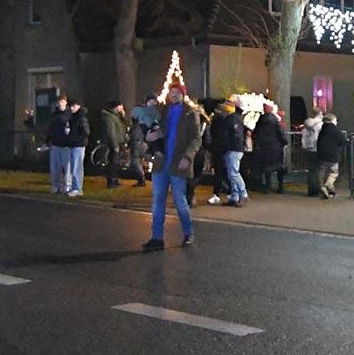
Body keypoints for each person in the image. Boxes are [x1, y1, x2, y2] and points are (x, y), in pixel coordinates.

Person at [143, 83, 205, 249]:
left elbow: (196, 139)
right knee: (158, 201)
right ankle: (157, 238)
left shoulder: (190, 113)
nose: (174, 95)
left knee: (180, 201)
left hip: (178, 163)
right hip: (161, 162)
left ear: (183, 94)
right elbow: (153, 129)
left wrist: (188, 156)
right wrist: (150, 137)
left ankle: (188, 233)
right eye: (172, 92)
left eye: (177, 92)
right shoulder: (163, 111)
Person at [207, 100, 246, 207]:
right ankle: (235, 196)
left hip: (233, 149)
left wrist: (227, 146)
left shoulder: (232, 119)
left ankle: (242, 193)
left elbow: (231, 135)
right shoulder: (235, 118)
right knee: (231, 173)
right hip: (233, 149)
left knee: (233, 173)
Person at [253, 102, 287, 192]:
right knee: (279, 167)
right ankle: (280, 187)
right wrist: (284, 141)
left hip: (264, 147)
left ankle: (268, 186)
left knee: (267, 168)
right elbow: (280, 132)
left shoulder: (261, 119)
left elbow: (256, 131)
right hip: (276, 147)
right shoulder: (275, 119)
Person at [97, 100, 129, 188]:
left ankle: (115, 180)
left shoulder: (117, 116)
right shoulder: (110, 117)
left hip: (119, 142)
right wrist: (115, 145)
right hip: (114, 143)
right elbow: (111, 131)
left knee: (116, 162)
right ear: (116, 107)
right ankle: (111, 181)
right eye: (120, 106)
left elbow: (124, 126)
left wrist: (123, 117)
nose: (122, 108)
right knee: (113, 162)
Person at [315, 112, 346, 197]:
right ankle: (328, 184)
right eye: (336, 120)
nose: (336, 122)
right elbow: (342, 141)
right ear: (332, 120)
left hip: (321, 155)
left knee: (322, 171)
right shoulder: (336, 130)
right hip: (333, 155)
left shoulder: (322, 130)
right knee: (333, 173)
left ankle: (322, 187)